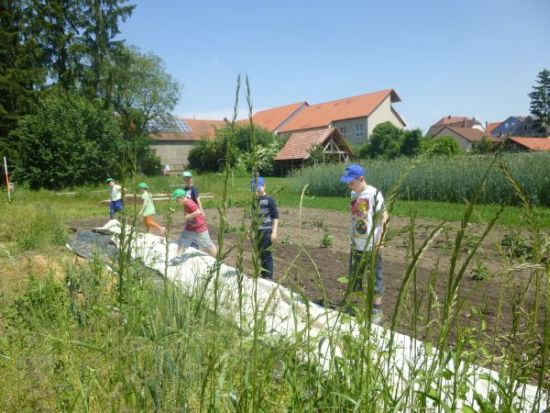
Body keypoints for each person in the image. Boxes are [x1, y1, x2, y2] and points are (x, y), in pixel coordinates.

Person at [339, 164, 388, 323]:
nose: (348, 185)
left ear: (361, 179)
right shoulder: (354, 193)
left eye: (351, 182)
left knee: (375, 278)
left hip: (372, 246)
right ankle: (354, 307)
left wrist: (381, 241)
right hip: (356, 245)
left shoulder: (375, 194)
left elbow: (384, 218)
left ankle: (376, 310)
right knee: (354, 277)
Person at [170, 188, 217, 263]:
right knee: (182, 240)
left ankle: (219, 259)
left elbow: (198, 211)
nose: (176, 201)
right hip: (190, 227)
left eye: (176, 199)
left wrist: (188, 217)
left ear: (181, 198)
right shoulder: (185, 204)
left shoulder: (189, 203)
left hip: (200, 228)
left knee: (208, 244)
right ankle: (178, 257)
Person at [251, 176, 279, 280]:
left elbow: (275, 216)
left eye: (259, 187)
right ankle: (263, 275)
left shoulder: (269, 200)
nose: (257, 189)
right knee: (260, 254)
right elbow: (254, 218)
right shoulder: (254, 201)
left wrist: (274, 232)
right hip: (257, 231)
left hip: (267, 231)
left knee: (267, 254)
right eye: (255, 188)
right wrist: (251, 231)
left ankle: (269, 277)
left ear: (264, 186)